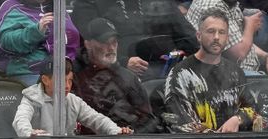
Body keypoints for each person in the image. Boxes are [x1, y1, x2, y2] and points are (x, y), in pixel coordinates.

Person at [163, 8, 260, 133]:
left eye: (222, 32)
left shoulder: (235, 72)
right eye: (210, 31)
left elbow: (252, 109)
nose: (216, 37)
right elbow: (179, 122)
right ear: (198, 36)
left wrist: (237, 119)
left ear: (227, 37)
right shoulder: (180, 74)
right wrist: (215, 136)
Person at [73, 18, 161, 134]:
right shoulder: (74, 76)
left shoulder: (128, 77)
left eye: (114, 42)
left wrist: (131, 137)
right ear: (88, 44)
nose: (111, 47)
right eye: (104, 42)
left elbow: (149, 120)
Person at [71, 0, 199, 79]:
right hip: (113, 74)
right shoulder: (89, 3)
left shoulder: (159, 3)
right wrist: (122, 62)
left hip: (165, 70)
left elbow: (186, 35)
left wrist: (203, 55)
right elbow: (87, 45)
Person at [13, 58, 133, 136]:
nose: (67, 86)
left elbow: (97, 119)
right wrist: (29, 134)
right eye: (61, 81)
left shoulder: (73, 101)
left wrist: (117, 131)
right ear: (45, 80)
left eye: (69, 81)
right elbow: (20, 121)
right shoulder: (31, 99)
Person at [0, 0, 81, 86]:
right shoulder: (12, 7)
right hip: (29, 72)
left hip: (64, 71)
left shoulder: (57, 6)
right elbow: (5, 41)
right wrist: (37, 31)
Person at [186, 0, 268, 75]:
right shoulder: (212, 6)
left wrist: (267, 57)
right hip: (220, 76)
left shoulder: (230, 3)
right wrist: (250, 26)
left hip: (244, 71)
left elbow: (238, 41)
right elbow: (238, 55)